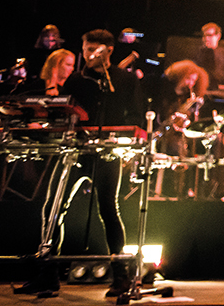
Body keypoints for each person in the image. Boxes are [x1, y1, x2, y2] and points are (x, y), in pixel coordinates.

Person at [17, 30, 146, 298]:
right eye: (86, 49)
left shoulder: (123, 80)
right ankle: (48, 274)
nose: (88, 55)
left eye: (95, 50)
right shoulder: (77, 79)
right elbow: (65, 109)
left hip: (106, 152)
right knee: (53, 207)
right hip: (76, 150)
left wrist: (121, 137)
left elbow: (136, 115)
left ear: (109, 51)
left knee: (108, 208)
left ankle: (120, 276)